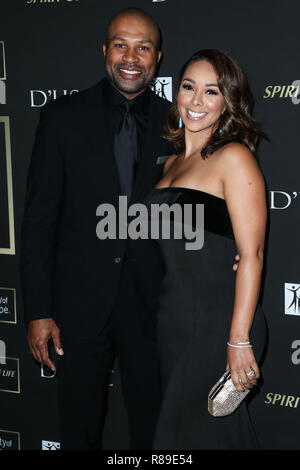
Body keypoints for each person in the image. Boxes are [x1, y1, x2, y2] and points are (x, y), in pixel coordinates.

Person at [20, 8, 173, 450]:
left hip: (154, 309)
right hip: (77, 308)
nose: (131, 56)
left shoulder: (179, 123)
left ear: (157, 58)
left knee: (154, 432)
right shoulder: (62, 117)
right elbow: (39, 221)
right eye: (121, 44)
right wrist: (37, 310)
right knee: (79, 427)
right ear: (105, 51)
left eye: (143, 47)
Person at [144, 49, 268, 449]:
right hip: (171, 322)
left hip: (218, 324)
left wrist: (238, 339)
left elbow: (252, 255)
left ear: (227, 100)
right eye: (188, 87)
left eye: (210, 91)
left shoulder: (234, 158)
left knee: (201, 436)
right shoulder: (169, 165)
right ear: (176, 93)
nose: (196, 101)